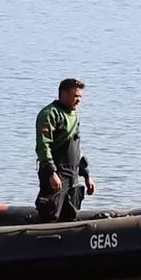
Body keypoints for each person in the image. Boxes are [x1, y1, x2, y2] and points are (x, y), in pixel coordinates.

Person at [34, 78, 95, 222]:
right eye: (75, 96)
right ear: (64, 94)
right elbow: (43, 146)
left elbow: (75, 148)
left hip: (72, 175)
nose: (79, 100)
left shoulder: (74, 116)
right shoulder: (49, 114)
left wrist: (86, 175)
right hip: (57, 173)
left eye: (80, 96)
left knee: (70, 215)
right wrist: (51, 173)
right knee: (50, 213)